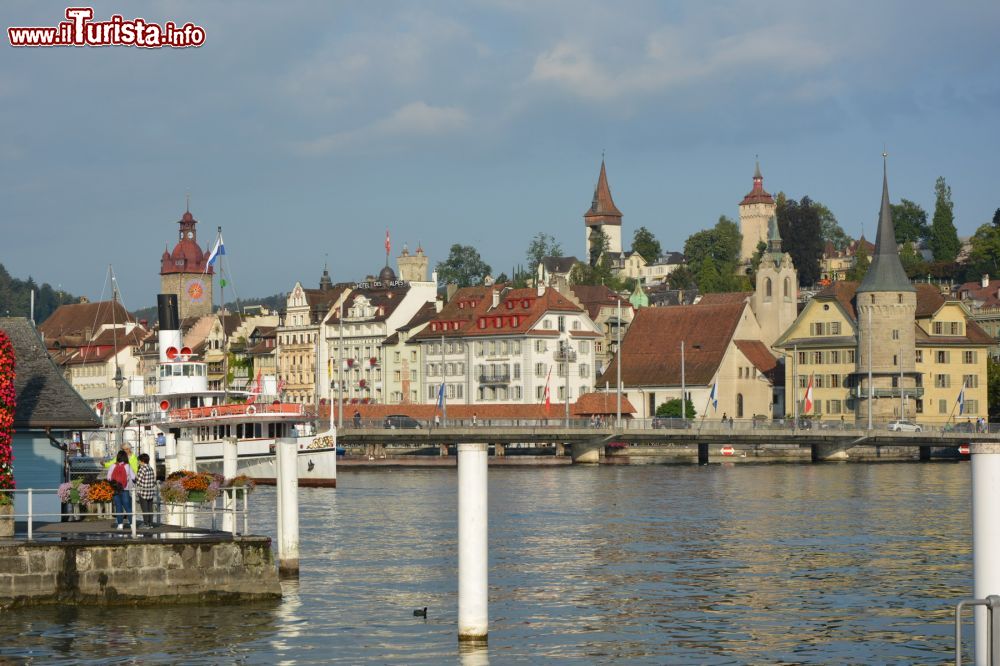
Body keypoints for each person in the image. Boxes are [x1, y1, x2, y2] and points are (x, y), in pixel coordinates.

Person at [106, 450, 137, 530]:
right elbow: (133, 477)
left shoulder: (113, 466)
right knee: (128, 507)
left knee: (118, 507)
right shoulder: (128, 466)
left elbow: (108, 477)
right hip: (125, 489)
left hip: (116, 489)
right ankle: (132, 524)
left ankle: (120, 524)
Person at [135, 453, 157, 529]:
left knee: (145, 509)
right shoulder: (150, 468)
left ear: (142, 461)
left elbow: (138, 480)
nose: (138, 462)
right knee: (150, 508)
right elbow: (153, 480)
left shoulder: (142, 469)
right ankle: (150, 523)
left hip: (143, 492)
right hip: (150, 491)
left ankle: (146, 524)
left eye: (139, 461)